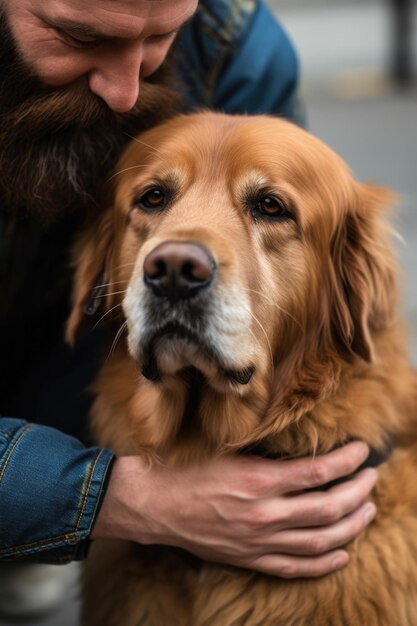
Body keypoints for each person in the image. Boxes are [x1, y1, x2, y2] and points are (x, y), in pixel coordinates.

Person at [0, 0, 377, 598]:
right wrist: (105, 497)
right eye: (77, 35)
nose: (126, 91)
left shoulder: (235, 47)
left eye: (161, 39)